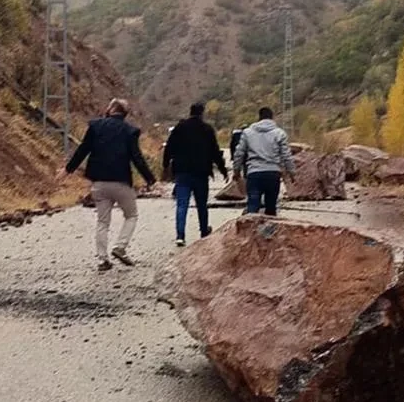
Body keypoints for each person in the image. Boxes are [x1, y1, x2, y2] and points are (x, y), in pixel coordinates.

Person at [62, 98, 156, 272]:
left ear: (111, 109)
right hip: (121, 182)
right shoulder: (130, 131)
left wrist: (68, 169)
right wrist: (150, 178)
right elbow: (137, 157)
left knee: (102, 222)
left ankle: (102, 259)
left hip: (99, 182)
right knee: (131, 215)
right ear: (124, 113)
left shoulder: (95, 126)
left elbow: (83, 150)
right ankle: (120, 247)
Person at [162, 102, 228, 247]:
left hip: (182, 172)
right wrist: (223, 170)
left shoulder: (180, 128)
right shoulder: (207, 129)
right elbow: (215, 152)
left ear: (190, 112)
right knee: (202, 204)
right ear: (202, 113)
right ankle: (204, 232)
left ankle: (180, 235)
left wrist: (165, 166)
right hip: (201, 172)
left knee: (182, 204)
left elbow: (169, 148)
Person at [233, 107, 295, 217]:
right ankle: (269, 232)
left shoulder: (248, 133)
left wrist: (236, 171)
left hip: (254, 174)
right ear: (272, 118)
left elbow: (239, 153)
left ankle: (250, 231)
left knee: (252, 206)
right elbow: (286, 155)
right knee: (271, 208)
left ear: (259, 117)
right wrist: (291, 172)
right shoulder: (279, 133)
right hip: (273, 174)